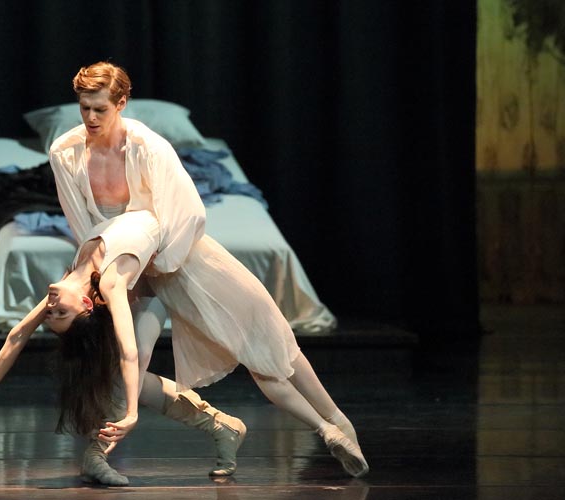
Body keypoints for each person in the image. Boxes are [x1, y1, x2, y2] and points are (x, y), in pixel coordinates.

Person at [47, 61, 368, 478]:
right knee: (128, 367)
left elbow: (187, 215)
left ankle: (335, 427)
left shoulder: (149, 147)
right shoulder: (65, 152)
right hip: (125, 270)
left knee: (264, 344)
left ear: (122, 103)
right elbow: (83, 224)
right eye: (84, 108)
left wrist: (153, 260)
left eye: (99, 109)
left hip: (177, 260)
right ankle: (109, 451)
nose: (90, 118)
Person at [0, 211, 245, 486]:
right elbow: (21, 334)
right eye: (57, 314)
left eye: (54, 314)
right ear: (86, 304)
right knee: (129, 369)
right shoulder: (97, 287)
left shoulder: (80, 283)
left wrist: (131, 414)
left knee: (132, 364)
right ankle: (219, 426)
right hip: (142, 288)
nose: (50, 309)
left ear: (86, 302)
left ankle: (100, 453)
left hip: (154, 282)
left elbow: (20, 332)